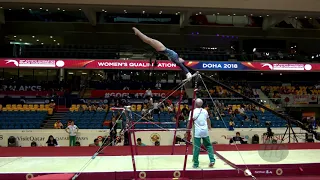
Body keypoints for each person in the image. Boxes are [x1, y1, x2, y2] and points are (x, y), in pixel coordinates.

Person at [189, 98, 215, 168]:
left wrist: (187, 130)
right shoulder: (205, 111)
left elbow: (189, 122)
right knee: (209, 146)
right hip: (205, 131)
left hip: (197, 132)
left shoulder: (192, 112)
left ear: (195, 104)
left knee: (196, 147)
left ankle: (196, 164)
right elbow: (208, 119)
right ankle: (212, 160)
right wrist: (209, 127)